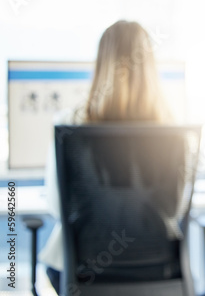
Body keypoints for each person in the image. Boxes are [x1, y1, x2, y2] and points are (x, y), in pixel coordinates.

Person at [39, 20, 173, 294]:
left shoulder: (70, 125)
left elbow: (57, 206)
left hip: (83, 269)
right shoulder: (172, 130)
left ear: (101, 66)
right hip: (156, 267)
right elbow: (173, 209)